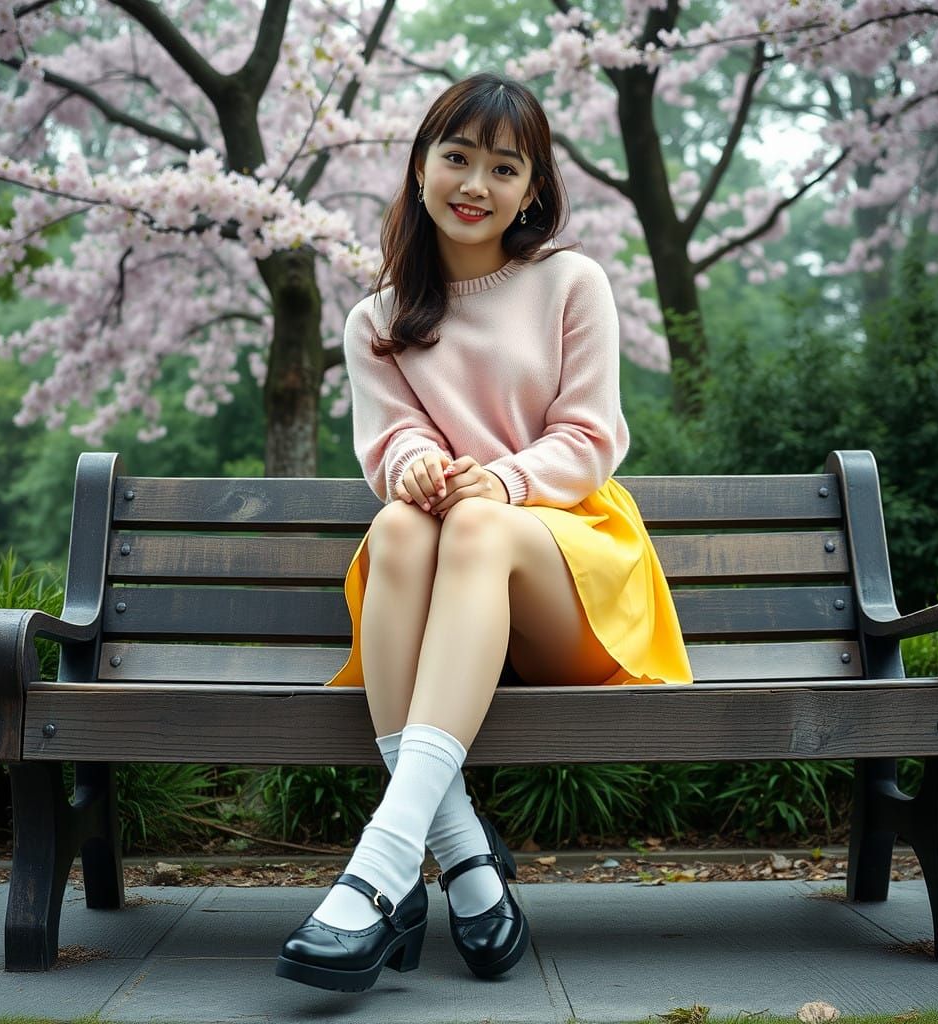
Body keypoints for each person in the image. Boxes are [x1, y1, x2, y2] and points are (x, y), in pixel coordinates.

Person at [276, 70, 693, 994]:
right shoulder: (376, 318)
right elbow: (393, 443)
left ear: (534, 188)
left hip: (569, 569)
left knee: (473, 522)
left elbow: (591, 439)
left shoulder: (570, 282)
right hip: (442, 588)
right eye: (456, 156)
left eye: (504, 167)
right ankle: (462, 855)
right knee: (398, 526)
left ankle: (380, 868)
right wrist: (418, 466)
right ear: (420, 164)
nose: (475, 183)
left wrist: (500, 479)